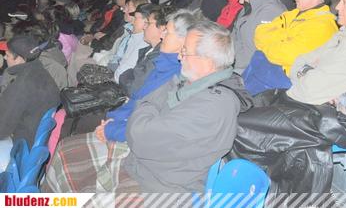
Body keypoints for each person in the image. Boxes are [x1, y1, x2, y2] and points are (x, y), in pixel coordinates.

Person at [45, 20, 251, 193]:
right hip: (146, 166)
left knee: (77, 186)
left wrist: (146, 104)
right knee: (65, 150)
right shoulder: (195, 83)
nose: (180, 57)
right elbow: (146, 112)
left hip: (160, 186)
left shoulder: (214, 105)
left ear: (206, 61)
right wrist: (148, 106)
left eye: (185, 52)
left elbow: (142, 134)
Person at [232, 0, 346, 193]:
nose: (337, 6)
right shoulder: (345, 35)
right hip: (314, 107)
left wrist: (310, 75)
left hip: (337, 122)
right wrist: (310, 74)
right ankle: (266, 187)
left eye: (344, 2)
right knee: (246, 109)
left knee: (238, 126)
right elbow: (299, 63)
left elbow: (308, 88)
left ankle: (249, 188)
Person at [43, 10, 196, 192]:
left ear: (183, 40)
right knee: (67, 133)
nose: (163, 35)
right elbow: (136, 100)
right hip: (124, 118)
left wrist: (110, 128)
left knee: (69, 140)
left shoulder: (174, 74)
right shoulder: (161, 62)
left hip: (132, 138)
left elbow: (148, 119)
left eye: (167, 32)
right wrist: (111, 118)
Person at [253, 0, 338, 75]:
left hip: (288, 81)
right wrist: (286, 38)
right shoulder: (291, 14)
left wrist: (268, 43)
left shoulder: (323, 26)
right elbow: (258, 33)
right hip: (268, 73)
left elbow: (287, 55)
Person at [0, 35, 60, 170]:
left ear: (20, 58)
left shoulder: (22, 85)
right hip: (34, 141)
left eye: (7, 55)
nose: (4, 58)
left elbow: (2, 129)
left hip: (21, 147)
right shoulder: (41, 73)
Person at [232, 0, 286, 71]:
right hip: (237, 65)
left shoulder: (271, 11)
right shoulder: (250, 7)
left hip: (249, 71)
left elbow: (254, 51)